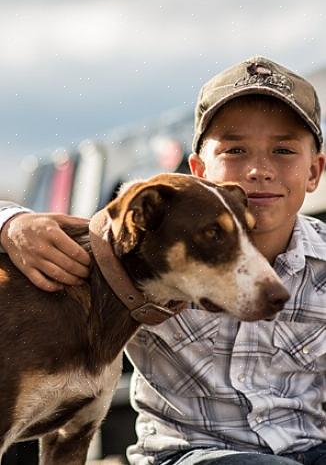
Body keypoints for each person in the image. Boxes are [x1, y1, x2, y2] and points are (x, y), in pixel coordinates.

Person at [1, 55, 326, 465]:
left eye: (283, 150)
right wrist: (10, 222)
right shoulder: (147, 248)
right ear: (199, 171)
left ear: (315, 171)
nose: (260, 169)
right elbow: (106, 240)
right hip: (190, 455)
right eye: (236, 149)